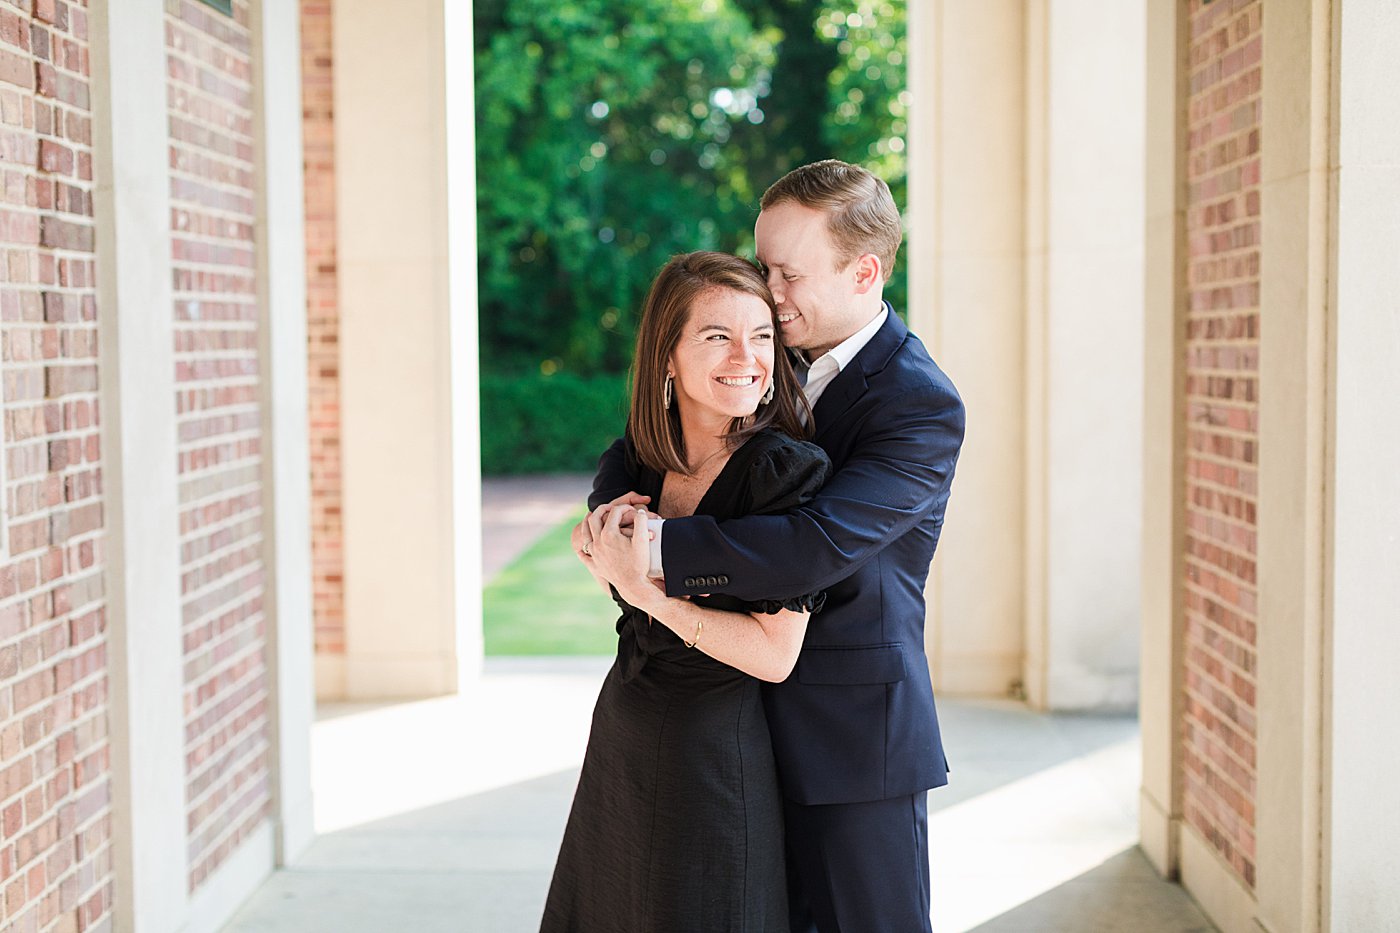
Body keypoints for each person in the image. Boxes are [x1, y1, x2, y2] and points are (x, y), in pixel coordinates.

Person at [582, 160, 965, 933]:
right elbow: (647, 446)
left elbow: (810, 545)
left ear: (864, 271)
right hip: (736, 737)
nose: (769, 290)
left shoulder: (920, 404)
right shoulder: (763, 353)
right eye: (763, 266)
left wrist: (646, 554)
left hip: (852, 745)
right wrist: (606, 514)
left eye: (788, 273)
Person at [540, 251, 832, 932]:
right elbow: (600, 550)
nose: (747, 356)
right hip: (623, 733)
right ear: (667, 355)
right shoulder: (635, 458)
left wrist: (654, 597)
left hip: (715, 757)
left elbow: (775, 655)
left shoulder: (785, 473)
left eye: (761, 335)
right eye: (716, 336)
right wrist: (597, 548)